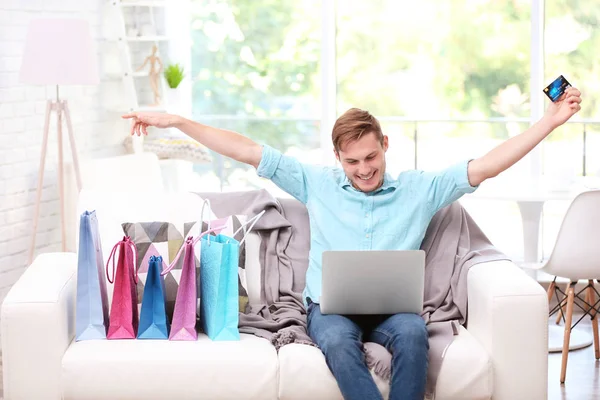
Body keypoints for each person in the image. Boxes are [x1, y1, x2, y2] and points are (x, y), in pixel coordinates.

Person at [123, 87, 582, 400]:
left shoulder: (421, 189)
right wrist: (178, 121)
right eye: (352, 161)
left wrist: (550, 121)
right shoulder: (316, 183)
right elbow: (246, 150)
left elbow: (485, 166)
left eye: (371, 157)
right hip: (331, 308)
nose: (363, 169)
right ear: (338, 158)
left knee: (414, 333)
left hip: (395, 310)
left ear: (385, 144)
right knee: (338, 344)